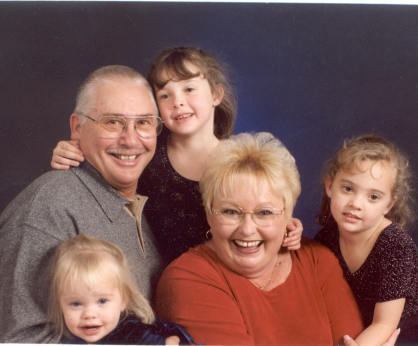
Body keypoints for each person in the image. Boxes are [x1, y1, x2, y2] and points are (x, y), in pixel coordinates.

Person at [51, 47, 303, 264]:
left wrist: (288, 224)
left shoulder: (242, 160)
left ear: (216, 94)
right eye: (164, 95)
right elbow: (103, 173)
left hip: (227, 276)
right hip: (159, 281)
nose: (177, 102)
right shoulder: (144, 153)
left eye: (189, 89)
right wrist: (73, 151)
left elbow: (270, 206)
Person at [0, 65, 163, 342]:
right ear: (77, 128)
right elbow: (22, 340)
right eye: (112, 122)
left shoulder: (139, 204)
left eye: (143, 123)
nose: (130, 139)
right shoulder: (47, 210)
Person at [155, 132, 364, 345]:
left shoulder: (317, 260)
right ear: (209, 214)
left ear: (288, 214)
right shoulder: (186, 279)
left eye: (264, 213)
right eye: (230, 212)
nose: (247, 230)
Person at [314, 134, 417, 345]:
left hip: (400, 333)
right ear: (330, 186)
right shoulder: (327, 238)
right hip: (353, 328)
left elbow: (385, 324)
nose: (356, 203)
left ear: (388, 205)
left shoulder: (395, 247)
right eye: (348, 189)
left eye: (373, 197)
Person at [48, 234, 195, 345]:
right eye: (75, 304)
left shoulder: (140, 337)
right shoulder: (60, 340)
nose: (89, 314)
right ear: (60, 304)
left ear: (123, 300)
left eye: (102, 301)